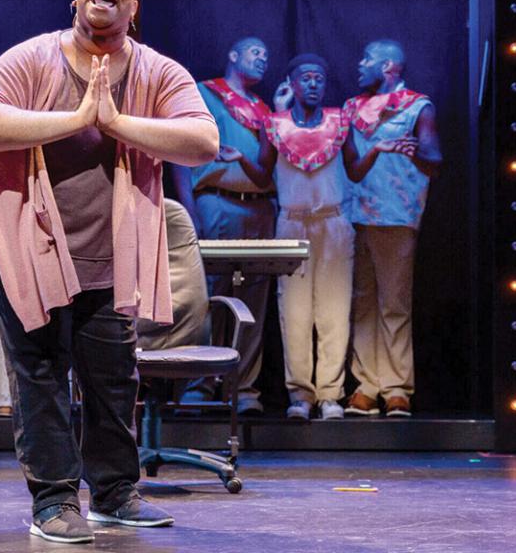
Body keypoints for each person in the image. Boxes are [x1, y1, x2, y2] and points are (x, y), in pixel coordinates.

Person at [0, 0, 218, 544]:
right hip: (25, 245)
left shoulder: (156, 71)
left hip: (109, 251)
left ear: (134, 6)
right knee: (40, 373)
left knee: (113, 375)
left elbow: (203, 140)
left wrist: (116, 122)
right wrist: (77, 117)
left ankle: (115, 493)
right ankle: (52, 501)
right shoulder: (31, 58)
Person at [221, 54, 354, 420]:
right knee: (293, 311)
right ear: (292, 84)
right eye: (306, 78)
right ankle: (301, 395)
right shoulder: (274, 124)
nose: (313, 84)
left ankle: (330, 394)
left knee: (334, 310)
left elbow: (355, 170)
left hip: (333, 222)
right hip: (292, 223)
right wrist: (239, 159)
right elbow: (264, 176)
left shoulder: (340, 121)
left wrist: (378, 150)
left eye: (319, 78)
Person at [171, 37, 276, 415]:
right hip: (215, 201)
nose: (263, 59)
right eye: (255, 52)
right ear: (233, 54)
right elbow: (181, 153)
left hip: (259, 207)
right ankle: (200, 382)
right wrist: (190, 210)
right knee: (208, 295)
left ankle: (242, 387)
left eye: (267, 55)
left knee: (253, 300)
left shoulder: (264, 110)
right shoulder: (205, 94)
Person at [341, 39, 442, 418]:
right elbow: (351, 166)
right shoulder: (353, 108)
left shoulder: (417, 106)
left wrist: (414, 148)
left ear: (388, 67)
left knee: (394, 304)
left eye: (366, 58)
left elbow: (435, 159)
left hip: (397, 214)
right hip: (358, 214)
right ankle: (366, 385)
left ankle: (397, 387)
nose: (359, 64)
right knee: (363, 303)